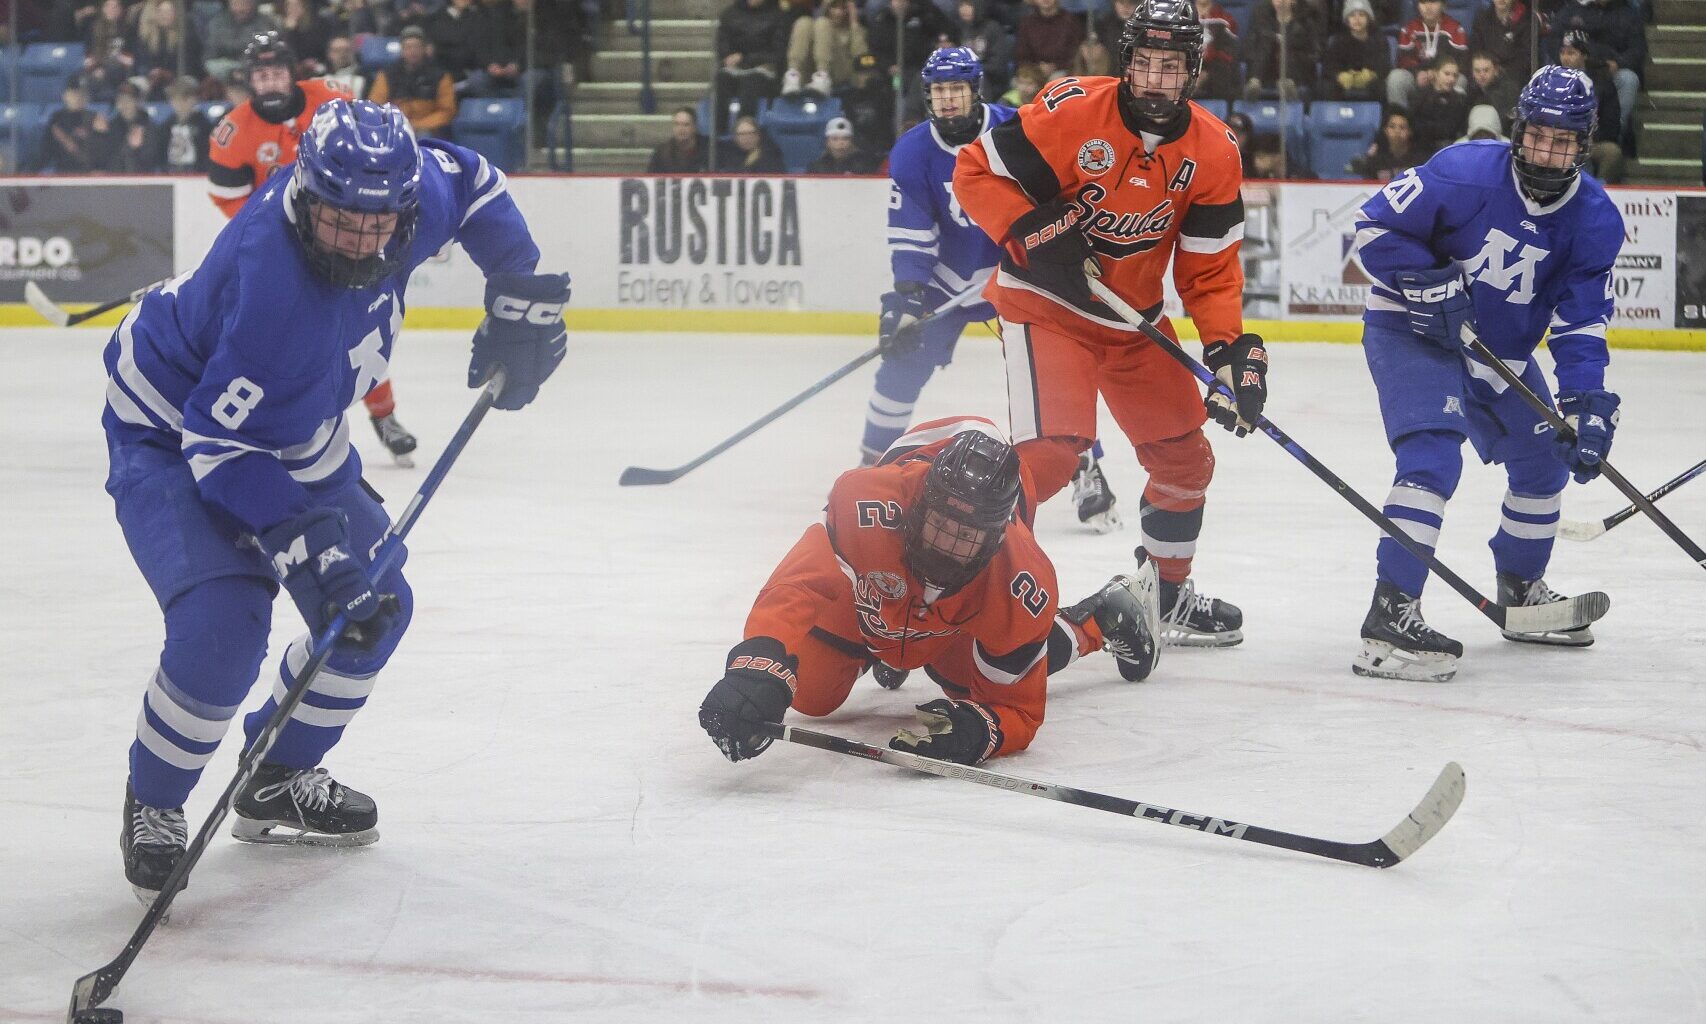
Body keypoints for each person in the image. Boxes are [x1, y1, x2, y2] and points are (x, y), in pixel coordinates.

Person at [105, 97, 568, 901]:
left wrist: (516, 290)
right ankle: (155, 800)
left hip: (293, 424)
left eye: (376, 225)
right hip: (175, 430)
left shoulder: (405, 194)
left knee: (374, 605)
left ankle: (277, 776)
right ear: (304, 196)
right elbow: (220, 444)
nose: (359, 241)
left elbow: (479, 185)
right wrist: (304, 545)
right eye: (339, 221)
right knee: (224, 626)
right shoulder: (271, 287)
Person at [955, 0, 1263, 646]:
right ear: (1126, 63)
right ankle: (961, 592)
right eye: (1145, 64)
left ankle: (1165, 598)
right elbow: (976, 172)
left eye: (1170, 67)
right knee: (1052, 452)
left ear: (1193, 71)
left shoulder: (1214, 151)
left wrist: (1230, 350)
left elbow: (1209, 271)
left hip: (1133, 323)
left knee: (1185, 461)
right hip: (1046, 305)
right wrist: (1034, 227)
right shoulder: (1072, 112)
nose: (1155, 80)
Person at [1347, 66, 1621, 681]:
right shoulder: (1463, 170)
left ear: (1583, 145)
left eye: (1563, 141)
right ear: (1519, 132)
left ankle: (1521, 591)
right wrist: (1426, 279)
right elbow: (1373, 227)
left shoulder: (1596, 219)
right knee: (1432, 457)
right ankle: (1390, 618)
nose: (1546, 153)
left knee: (1545, 461)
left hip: (1500, 350)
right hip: (1412, 327)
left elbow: (1580, 323)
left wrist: (1586, 403)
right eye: (1538, 136)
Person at [697, 420, 1163, 767]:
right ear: (919, 505)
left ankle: (1100, 618)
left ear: (995, 538)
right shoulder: (867, 502)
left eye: (966, 537)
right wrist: (754, 664)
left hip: (948, 612)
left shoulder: (1020, 576)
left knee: (971, 691)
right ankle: (890, 642)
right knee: (812, 693)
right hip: (889, 569)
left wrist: (982, 731)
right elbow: (799, 582)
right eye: (940, 524)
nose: (946, 546)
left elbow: (1018, 708)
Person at [209, 33, 420, 465]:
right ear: (250, 80)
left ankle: (384, 416)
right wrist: (271, 234)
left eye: (277, 73)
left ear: (292, 74)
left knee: (359, 330)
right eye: (261, 75)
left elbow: (373, 147)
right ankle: (278, 423)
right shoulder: (233, 132)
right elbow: (230, 199)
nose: (270, 82)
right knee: (276, 337)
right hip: (283, 245)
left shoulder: (331, 98)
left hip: (345, 231)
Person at [1557, 30, 1625, 183]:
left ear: (1584, 55)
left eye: (1571, 53)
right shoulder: (1552, 80)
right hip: (1559, 141)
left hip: (1591, 142)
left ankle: (1599, 189)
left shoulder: (1601, 81)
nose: (1565, 58)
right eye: (1562, 53)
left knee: (1612, 152)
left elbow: (1612, 123)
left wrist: (1590, 138)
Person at [368, 26, 458, 140]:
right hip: (394, 128)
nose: (413, 51)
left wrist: (418, 125)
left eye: (417, 47)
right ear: (402, 50)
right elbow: (375, 106)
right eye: (408, 47)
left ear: (425, 49)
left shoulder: (440, 76)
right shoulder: (387, 75)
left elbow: (447, 112)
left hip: (427, 130)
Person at [714, 0, 791, 132]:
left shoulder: (778, 16)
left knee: (750, 83)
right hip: (735, 69)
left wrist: (745, 58)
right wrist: (727, 56)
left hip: (764, 70)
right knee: (721, 80)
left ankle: (744, 132)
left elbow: (778, 52)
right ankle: (718, 133)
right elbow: (722, 43)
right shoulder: (729, 14)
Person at [1388, 0, 1468, 112]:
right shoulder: (1409, 28)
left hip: (1444, 75)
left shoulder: (1455, 28)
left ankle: (1451, 120)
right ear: (1418, 6)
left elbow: (1460, 61)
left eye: (1433, 2)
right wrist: (1417, 73)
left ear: (1443, 6)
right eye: (1423, 2)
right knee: (1396, 77)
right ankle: (1399, 118)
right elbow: (1403, 60)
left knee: (1461, 80)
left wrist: (1437, 73)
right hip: (1417, 77)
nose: (1428, 7)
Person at [783, 0, 869, 97]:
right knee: (803, 22)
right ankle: (792, 76)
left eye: (843, 8)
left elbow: (861, 57)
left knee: (823, 23)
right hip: (809, 74)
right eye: (834, 7)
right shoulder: (815, 26)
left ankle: (822, 76)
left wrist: (854, 23)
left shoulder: (855, 30)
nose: (838, 13)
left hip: (839, 74)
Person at [1240, 0, 1316, 101]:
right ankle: (1255, 82)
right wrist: (1274, 39)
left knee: (1286, 45)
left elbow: (1311, 52)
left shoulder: (1304, 21)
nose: (1279, 2)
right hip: (1266, 68)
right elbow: (1249, 45)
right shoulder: (1262, 17)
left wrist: (1286, 42)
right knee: (1266, 42)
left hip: (1295, 69)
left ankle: (1288, 86)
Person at [42, 74, 111, 172]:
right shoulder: (57, 119)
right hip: (63, 175)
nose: (78, 98)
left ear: (87, 98)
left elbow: (101, 158)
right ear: (65, 95)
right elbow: (44, 153)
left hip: (88, 176)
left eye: (82, 94)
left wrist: (100, 134)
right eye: (74, 93)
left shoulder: (96, 119)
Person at [1324, 0, 1389, 101]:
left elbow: (1384, 66)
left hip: (1371, 83)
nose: (1357, 19)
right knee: (1326, 86)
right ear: (1347, 20)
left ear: (1368, 18)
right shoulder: (1338, 41)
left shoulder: (1379, 40)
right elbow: (1329, 66)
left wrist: (1371, 75)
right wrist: (1340, 76)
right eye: (1352, 15)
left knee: (1381, 87)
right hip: (1344, 83)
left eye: (1361, 15)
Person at [1410, 55, 1470, 155]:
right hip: (1422, 147)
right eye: (1447, 74)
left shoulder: (1460, 100)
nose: (1451, 79)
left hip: (1450, 148)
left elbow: (1459, 129)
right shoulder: (1420, 97)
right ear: (1436, 73)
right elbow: (1415, 125)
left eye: (1455, 75)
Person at [1015, 0, 1085, 80]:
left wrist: (1055, 66)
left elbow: (1075, 53)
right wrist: (1037, 67)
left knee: (1056, 80)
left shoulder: (1071, 21)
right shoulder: (1027, 23)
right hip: (1034, 71)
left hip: (1063, 70)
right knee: (1021, 82)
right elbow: (1022, 54)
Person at [106, 81, 164, 173]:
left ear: (137, 102)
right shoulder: (111, 127)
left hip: (142, 178)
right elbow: (109, 160)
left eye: (129, 100)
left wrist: (135, 150)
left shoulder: (148, 126)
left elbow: (151, 161)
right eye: (120, 100)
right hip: (117, 178)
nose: (124, 104)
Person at [1350, 109, 1423, 180]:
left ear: (1410, 131)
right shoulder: (1376, 162)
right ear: (1385, 130)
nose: (1397, 131)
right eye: (1392, 127)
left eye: (1402, 127)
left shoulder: (1420, 161)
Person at [162, 78, 214, 174]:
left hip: (196, 175)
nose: (179, 104)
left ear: (193, 99)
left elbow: (206, 152)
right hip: (171, 174)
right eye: (175, 99)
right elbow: (161, 151)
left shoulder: (202, 124)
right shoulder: (167, 124)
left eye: (183, 99)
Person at [1470, 0, 1531, 81]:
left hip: (1513, 76)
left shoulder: (1525, 20)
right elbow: (1475, 50)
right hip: (1485, 71)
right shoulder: (1482, 18)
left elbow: (1525, 56)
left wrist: (1500, 71)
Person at [1193, 0, 1240, 100]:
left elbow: (1229, 50)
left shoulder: (1224, 18)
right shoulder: (1183, 16)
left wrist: (1205, 74)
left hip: (1214, 68)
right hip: (1190, 62)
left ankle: (1220, 106)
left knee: (1222, 68)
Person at [1466, 52, 1521, 133]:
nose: (1482, 74)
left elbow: (1510, 119)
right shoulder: (1471, 92)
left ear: (1496, 70)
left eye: (1486, 70)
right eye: (1477, 71)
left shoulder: (1509, 90)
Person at [807, 115, 882, 172]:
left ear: (851, 141)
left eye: (845, 139)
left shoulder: (865, 166)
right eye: (835, 139)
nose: (840, 143)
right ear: (827, 142)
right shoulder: (817, 167)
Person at [647, 105, 709, 172]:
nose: (681, 129)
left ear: (694, 127)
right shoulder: (661, 153)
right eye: (677, 124)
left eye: (686, 125)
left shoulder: (709, 149)